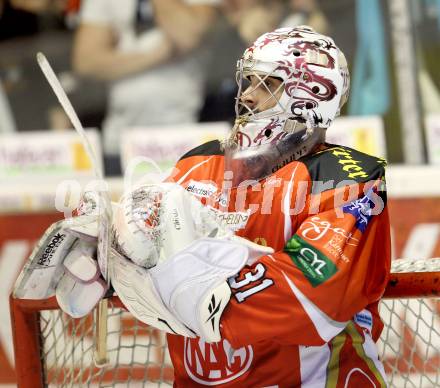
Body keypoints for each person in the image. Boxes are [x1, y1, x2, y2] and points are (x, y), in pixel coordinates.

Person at [16, 26, 391, 386]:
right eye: (248, 82)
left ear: (310, 95)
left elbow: (315, 300)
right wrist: (113, 258)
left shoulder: (349, 178)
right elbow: (151, 252)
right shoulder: (198, 163)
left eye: (267, 84)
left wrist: (195, 297)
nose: (247, 96)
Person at [73, 0, 219, 174]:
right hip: (120, 140)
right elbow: (86, 62)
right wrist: (157, 54)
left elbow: (186, 35)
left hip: (186, 137)